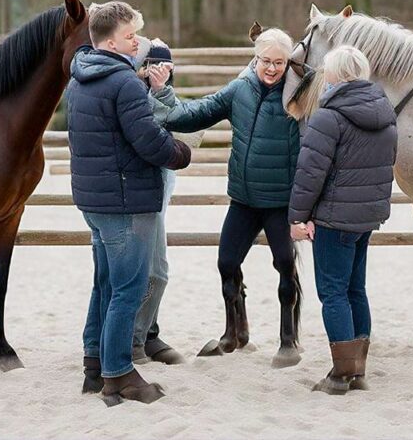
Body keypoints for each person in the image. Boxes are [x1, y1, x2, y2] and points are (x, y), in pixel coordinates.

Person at [65, 1, 192, 406]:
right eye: (131, 35)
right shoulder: (122, 83)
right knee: (127, 289)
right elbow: (149, 143)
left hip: (95, 200)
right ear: (110, 40)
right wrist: (182, 152)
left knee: (104, 283)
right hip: (124, 200)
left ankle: (94, 360)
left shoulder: (80, 77)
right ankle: (119, 373)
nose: (138, 41)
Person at [162, 26, 304, 368]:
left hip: (280, 201)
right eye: (265, 60)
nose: (271, 68)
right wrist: (156, 103)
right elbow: (196, 113)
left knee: (285, 265)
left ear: (289, 63)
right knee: (226, 263)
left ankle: (289, 338)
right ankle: (235, 332)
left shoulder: (300, 95)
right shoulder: (239, 89)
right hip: (243, 199)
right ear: (255, 58)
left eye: (279, 63)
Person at [288, 45, 397, 395]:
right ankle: (358, 370)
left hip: (335, 219)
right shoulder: (385, 112)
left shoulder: (328, 116)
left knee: (333, 292)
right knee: (355, 289)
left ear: (333, 75)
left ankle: (341, 375)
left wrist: (298, 217)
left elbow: (310, 173)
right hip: (366, 216)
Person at [130, 39, 204, 365]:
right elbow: (146, 127)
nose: (160, 73)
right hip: (138, 196)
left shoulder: (165, 98)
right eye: (153, 66)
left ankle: (148, 333)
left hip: (158, 194)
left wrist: (163, 91)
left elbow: (181, 120)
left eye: (166, 67)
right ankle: (135, 337)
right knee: (152, 272)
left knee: (152, 269)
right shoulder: (132, 98)